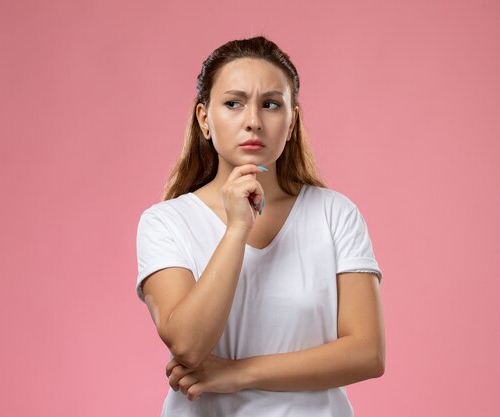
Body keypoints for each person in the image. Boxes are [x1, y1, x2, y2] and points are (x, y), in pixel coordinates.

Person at [135, 35, 385, 417]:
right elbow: (188, 344)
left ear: (291, 121)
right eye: (233, 103)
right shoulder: (166, 222)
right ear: (204, 118)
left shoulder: (335, 214)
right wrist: (237, 229)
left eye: (270, 104)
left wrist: (238, 374)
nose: (253, 121)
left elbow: (367, 353)